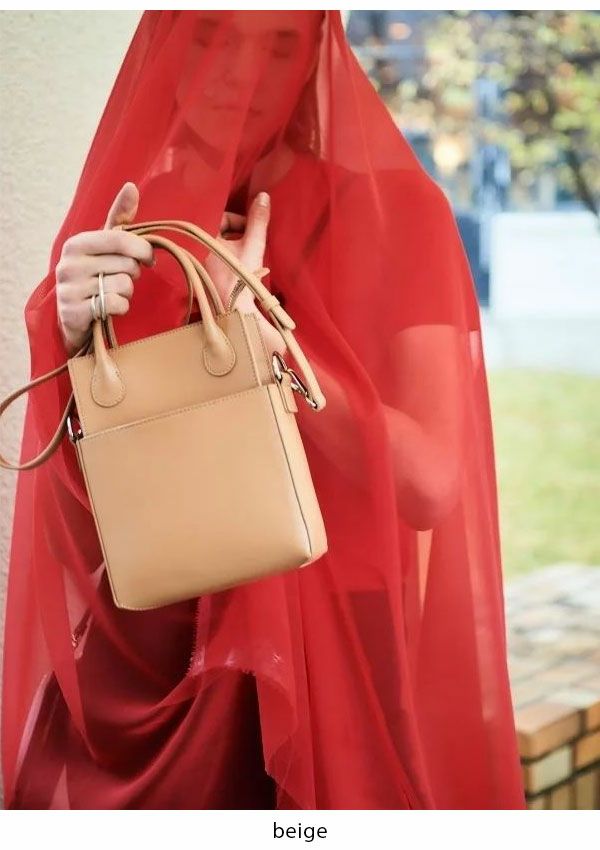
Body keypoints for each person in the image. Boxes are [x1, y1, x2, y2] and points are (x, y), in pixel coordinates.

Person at [1, 11, 526, 809]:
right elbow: (86, 504)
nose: (237, 77)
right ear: (168, 45)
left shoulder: (395, 213)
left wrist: (264, 345)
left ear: (315, 55)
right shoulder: (130, 228)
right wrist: (69, 337)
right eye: (213, 37)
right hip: (153, 646)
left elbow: (428, 482)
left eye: (278, 44)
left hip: (332, 659)